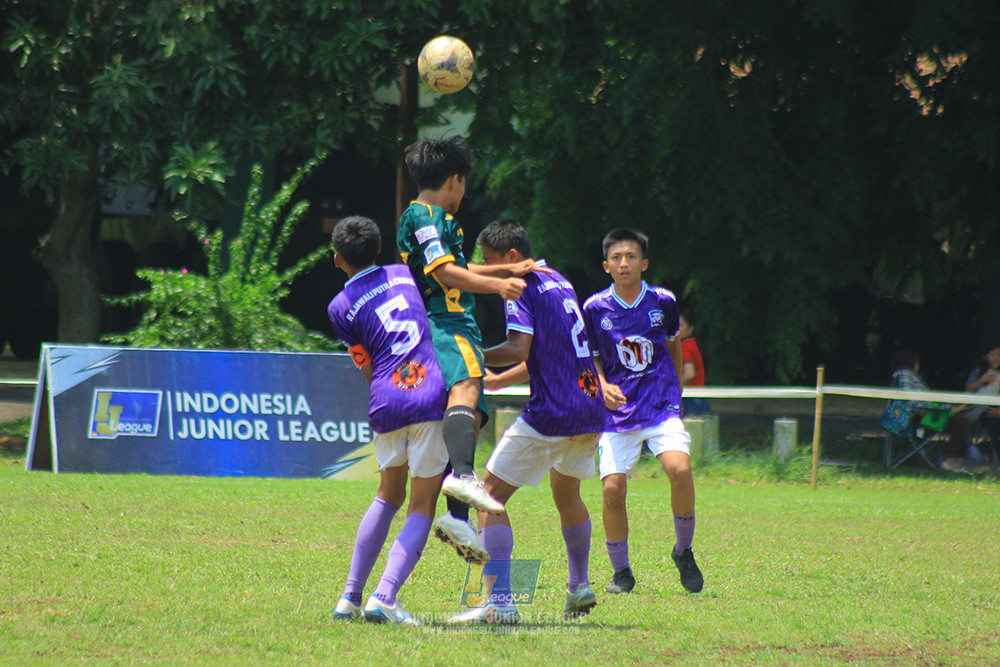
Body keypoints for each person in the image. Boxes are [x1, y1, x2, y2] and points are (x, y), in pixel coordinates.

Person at [397, 136, 547, 561]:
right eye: (463, 183)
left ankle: (458, 518)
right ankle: (463, 477)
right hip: (446, 322)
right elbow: (445, 273)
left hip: (451, 325)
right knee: (465, 391)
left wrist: (504, 269)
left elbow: (458, 266)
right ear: (454, 180)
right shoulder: (424, 217)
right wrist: (498, 286)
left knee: (468, 414)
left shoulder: (434, 218)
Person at [449, 219, 606, 624]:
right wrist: (501, 380)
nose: (487, 270)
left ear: (512, 257)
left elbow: (519, 347)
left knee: (487, 496)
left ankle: (500, 603)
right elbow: (551, 351)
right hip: (590, 408)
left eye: (489, 261)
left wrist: (470, 355)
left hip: (554, 412)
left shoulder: (520, 285)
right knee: (567, 495)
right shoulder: (558, 280)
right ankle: (579, 585)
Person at [326, 216, 448, 626]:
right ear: (379, 249)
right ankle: (385, 596)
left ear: (337, 258)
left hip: (385, 399)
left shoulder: (339, 307)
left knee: (387, 494)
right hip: (429, 393)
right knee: (422, 504)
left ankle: (350, 596)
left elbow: (365, 364)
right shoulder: (403, 274)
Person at [581, 228, 704, 595]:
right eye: (616, 258)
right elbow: (590, 357)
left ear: (644, 263)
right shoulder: (594, 308)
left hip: (660, 405)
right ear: (606, 265)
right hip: (617, 413)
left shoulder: (663, 301)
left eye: (631, 257)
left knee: (680, 470)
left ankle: (683, 551)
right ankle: (621, 572)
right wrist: (602, 385)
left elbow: (674, 343)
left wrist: (676, 390)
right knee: (612, 490)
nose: (624, 263)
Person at [886, 350, 973, 473]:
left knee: (959, 418)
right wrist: (948, 409)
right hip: (921, 416)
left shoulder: (900, 375)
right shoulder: (906, 375)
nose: (917, 367)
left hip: (924, 413)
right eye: (916, 363)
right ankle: (951, 459)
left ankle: (935, 456)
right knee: (961, 422)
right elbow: (911, 399)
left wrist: (946, 408)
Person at [959, 345, 1000, 469]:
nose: (996, 358)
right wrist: (982, 380)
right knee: (963, 421)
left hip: (995, 408)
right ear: (986, 357)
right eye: (992, 355)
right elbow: (968, 390)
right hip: (976, 406)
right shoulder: (978, 371)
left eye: (999, 355)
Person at [678, 309, 710, 417]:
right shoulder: (693, 344)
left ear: (691, 329)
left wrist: (673, 388)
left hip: (690, 399)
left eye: (679, 326)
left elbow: (689, 374)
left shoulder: (684, 347)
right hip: (700, 397)